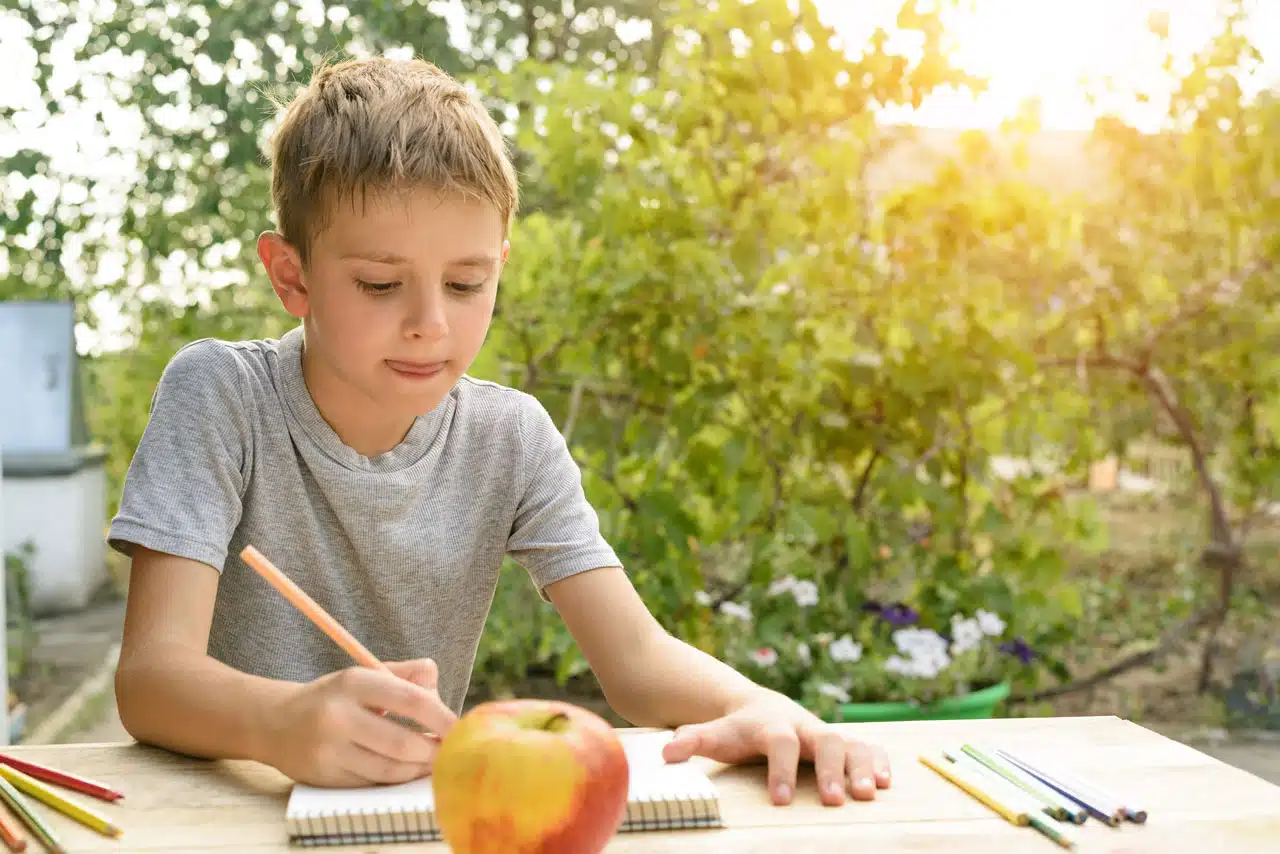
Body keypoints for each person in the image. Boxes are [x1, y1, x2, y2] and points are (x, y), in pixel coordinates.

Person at [109, 55, 890, 808]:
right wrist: (280, 724)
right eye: (380, 284)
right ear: (292, 277)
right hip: (219, 820)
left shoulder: (510, 437)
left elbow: (638, 663)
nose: (430, 324)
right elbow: (150, 679)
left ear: (499, 268)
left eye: (466, 282)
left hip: (399, 820)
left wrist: (760, 705)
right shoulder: (222, 396)